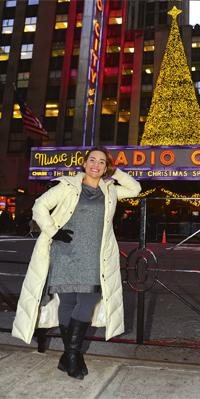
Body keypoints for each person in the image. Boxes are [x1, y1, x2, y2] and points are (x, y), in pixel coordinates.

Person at [12, 147, 141, 379]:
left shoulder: (109, 190)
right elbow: (39, 206)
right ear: (84, 163)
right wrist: (53, 231)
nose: (96, 165)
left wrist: (116, 171)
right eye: (92, 160)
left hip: (94, 256)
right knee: (68, 301)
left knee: (88, 300)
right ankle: (72, 356)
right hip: (66, 252)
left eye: (102, 162)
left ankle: (70, 355)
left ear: (106, 167)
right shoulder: (67, 186)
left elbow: (135, 188)